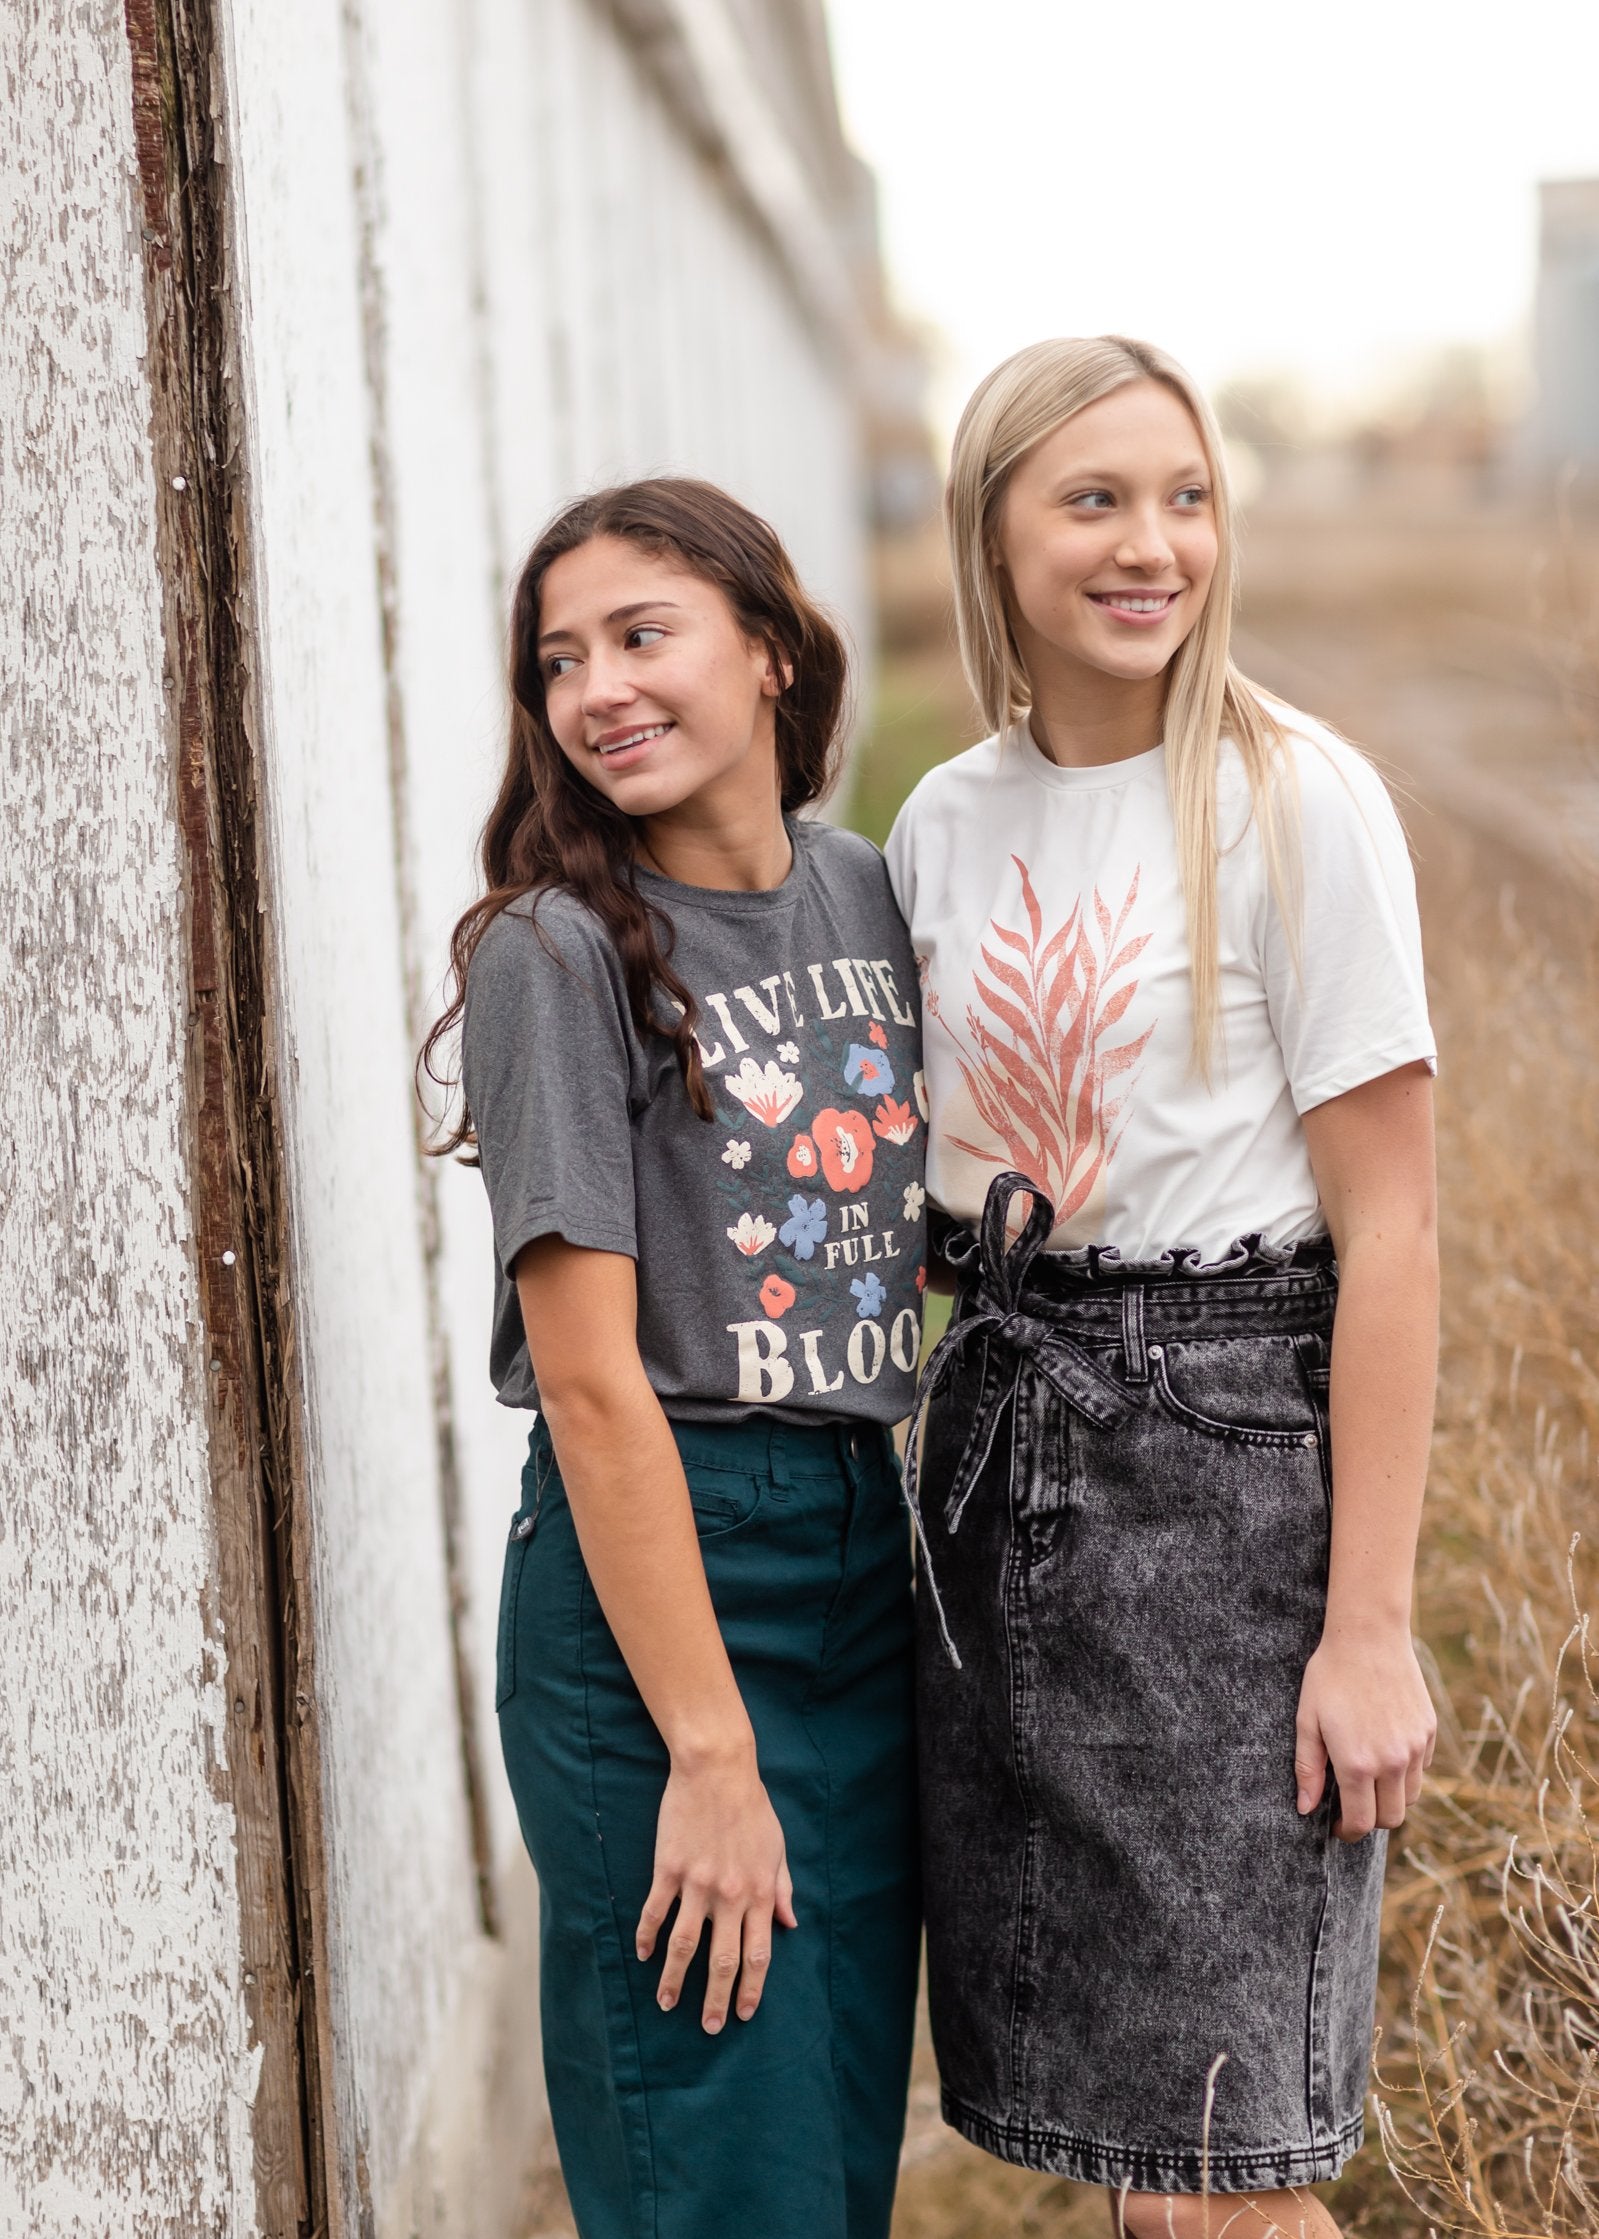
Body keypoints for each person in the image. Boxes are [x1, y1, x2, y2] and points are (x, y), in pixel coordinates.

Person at [884, 338, 1439, 2239]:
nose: (1154, 546)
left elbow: (1399, 1237)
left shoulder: (1297, 798)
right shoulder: (944, 823)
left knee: (1231, 2162)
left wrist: (1367, 1626)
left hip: (1223, 1472)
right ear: (997, 534)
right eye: (1097, 499)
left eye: (1185, 496)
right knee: (1136, 2155)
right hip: (1012, 1431)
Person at [423, 479, 925, 2239]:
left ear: (772, 651)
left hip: (862, 1561)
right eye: (560, 661)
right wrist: (709, 1752)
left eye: (644, 635)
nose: (597, 691)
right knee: (724, 2176)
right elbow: (590, 1383)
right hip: (665, 1592)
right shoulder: (551, 953)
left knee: (838, 2151)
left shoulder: (864, 892)